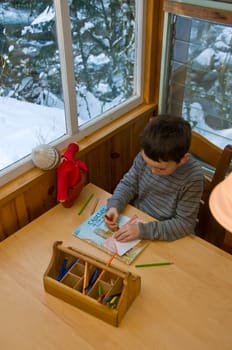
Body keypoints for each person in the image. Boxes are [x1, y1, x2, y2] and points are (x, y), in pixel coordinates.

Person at [104, 114, 204, 242]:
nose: (153, 171)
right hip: (140, 219)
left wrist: (142, 231)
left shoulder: (193, 177)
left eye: (161, 168)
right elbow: (129, 184)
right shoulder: (148, 153)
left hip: (169, 232)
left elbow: (184, 224)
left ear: (183, 160)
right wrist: (114, 206)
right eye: (148, 163)